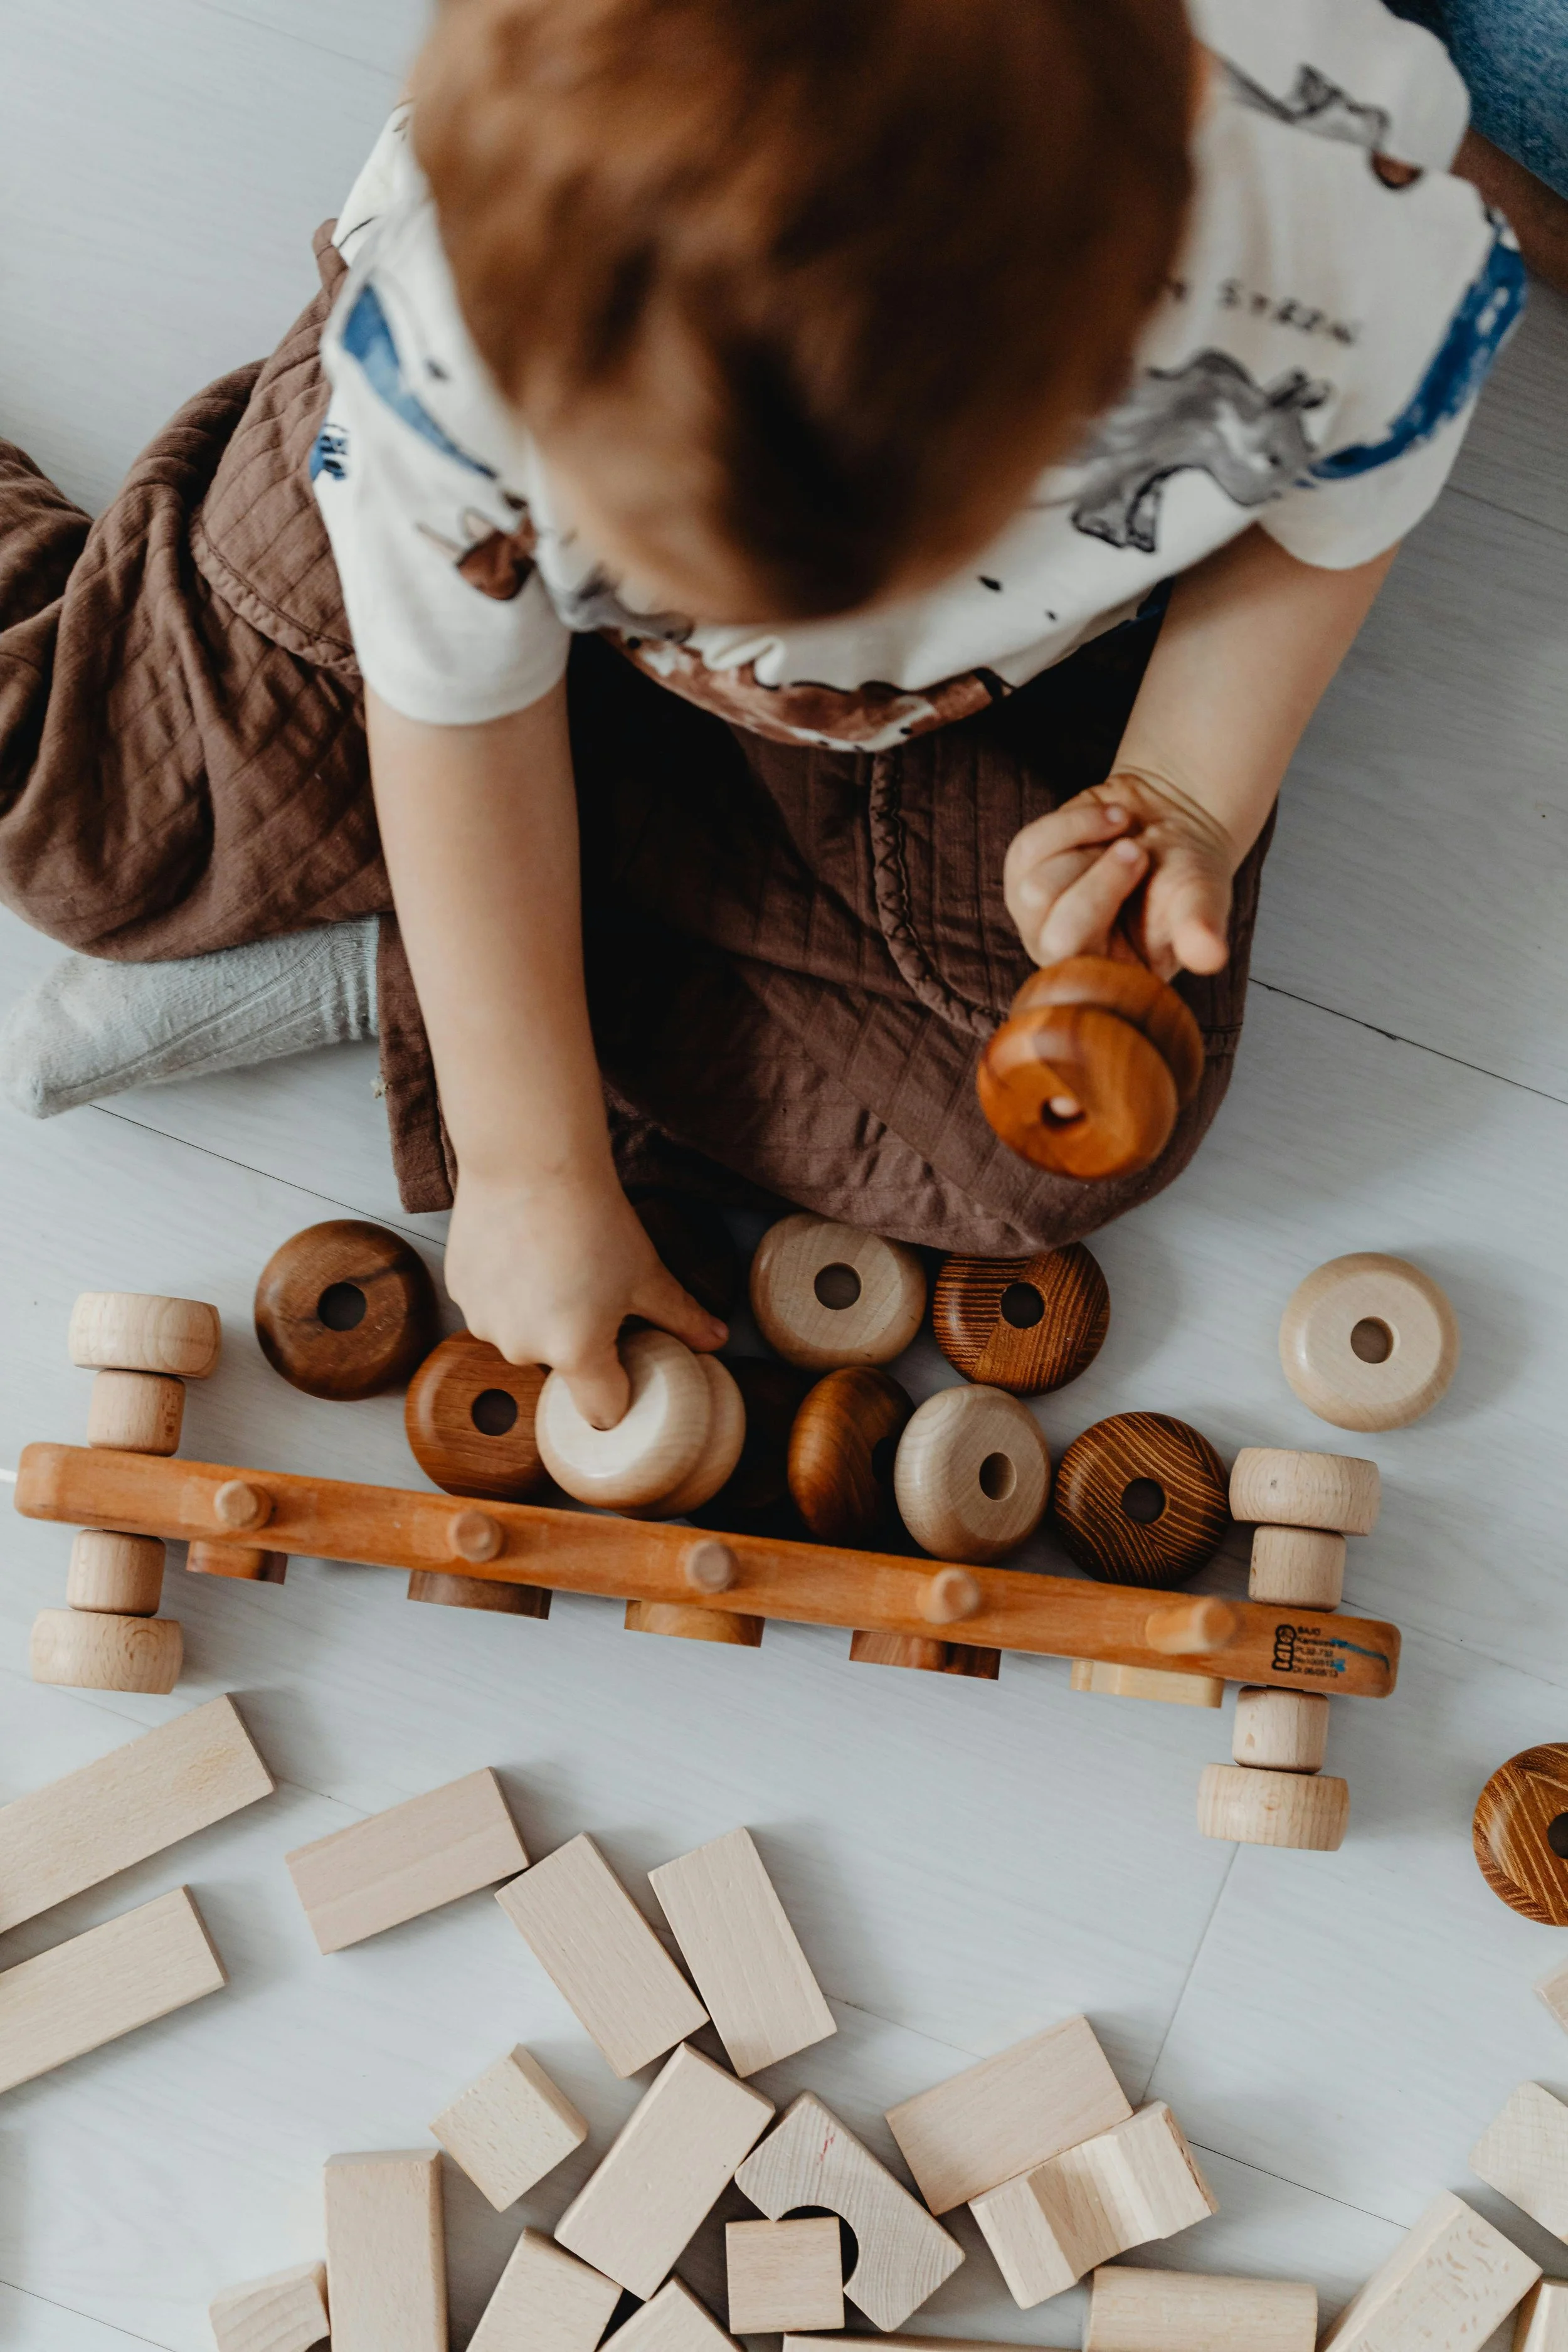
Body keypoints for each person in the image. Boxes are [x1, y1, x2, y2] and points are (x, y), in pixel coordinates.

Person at [0, 0, 1522, 1425]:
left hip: (924, 715)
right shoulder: (465, 324)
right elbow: (457, 700)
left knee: (1048, 1155)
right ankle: (472, 947)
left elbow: (1331, 507)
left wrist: (1183, 792)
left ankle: (392, 948)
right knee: (89, 823)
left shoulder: (1332, 208)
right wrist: (531, 1168)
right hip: (448, 511)